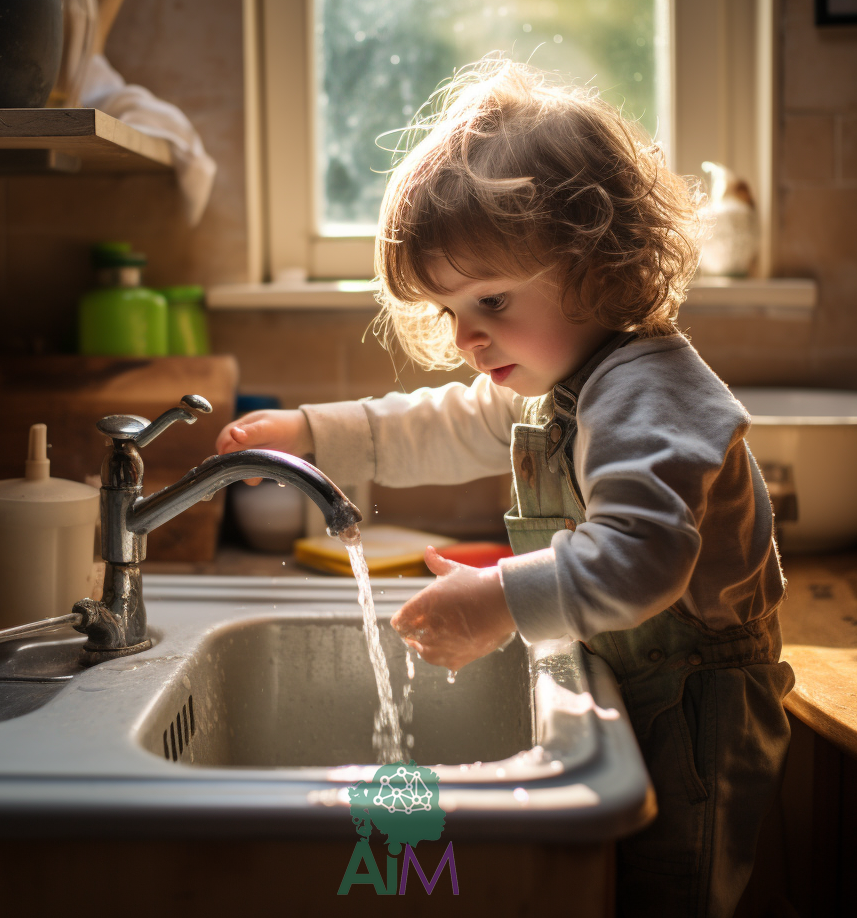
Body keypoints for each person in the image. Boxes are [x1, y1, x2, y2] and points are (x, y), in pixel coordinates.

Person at [216, 58, 794, 918]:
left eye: (491, 299)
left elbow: (641, 561)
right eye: (452, 314)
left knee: (671, 891)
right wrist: (311, 433)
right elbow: (432, 423)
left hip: (695, 709)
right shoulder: (558, 381)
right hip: (634, 679)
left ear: (600, 260)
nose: (468, 339)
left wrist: (497, 601)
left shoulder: (645, 392)